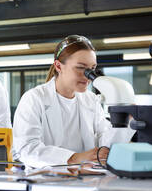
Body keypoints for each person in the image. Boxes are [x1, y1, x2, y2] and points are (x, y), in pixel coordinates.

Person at [13, 35, 135, 168]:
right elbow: (27, 149)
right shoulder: (34, 98)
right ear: (59, 66)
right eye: (81, 68)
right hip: (44, 181)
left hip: (86, 179)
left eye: (92, 69)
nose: (88, 76)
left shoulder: (91, 100)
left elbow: (104, 146)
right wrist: (74, 158)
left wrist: (125, 122)